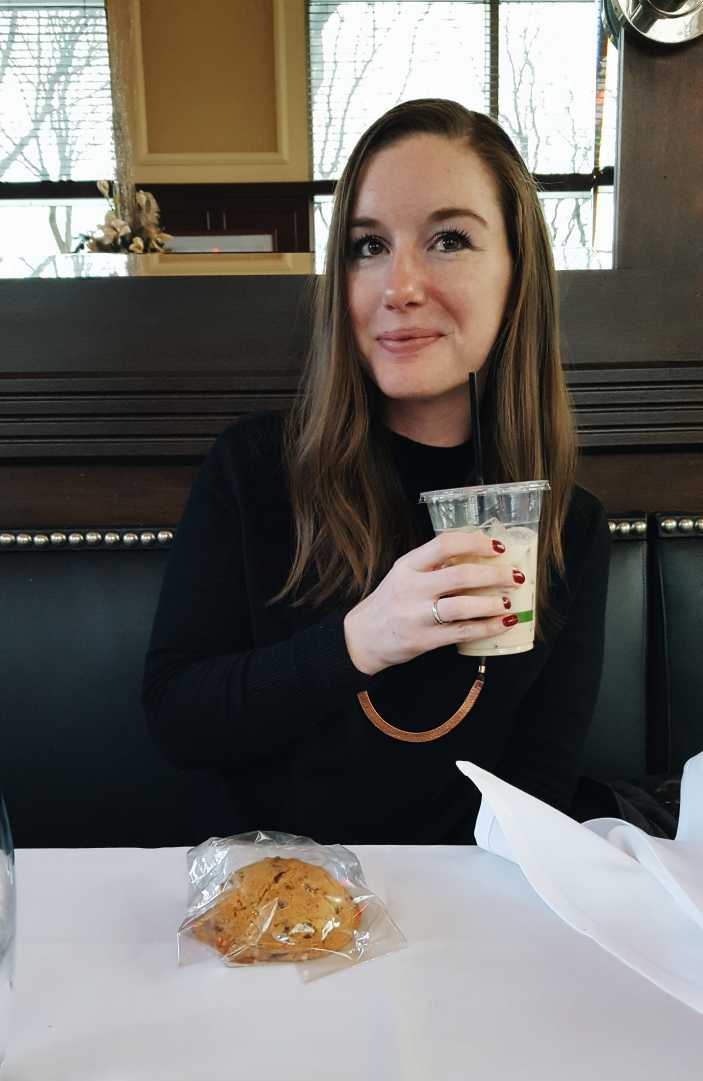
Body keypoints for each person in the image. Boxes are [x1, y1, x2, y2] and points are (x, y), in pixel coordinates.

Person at [142, 98, 610, 844]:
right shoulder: (255, 470)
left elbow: (539, 787)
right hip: (266, 907)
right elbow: (179, 722)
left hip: (470, 913)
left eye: (449, 239)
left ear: (518, 274)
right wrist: (361, 639)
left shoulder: (569, 525)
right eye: (367, 246)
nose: (398, 286)